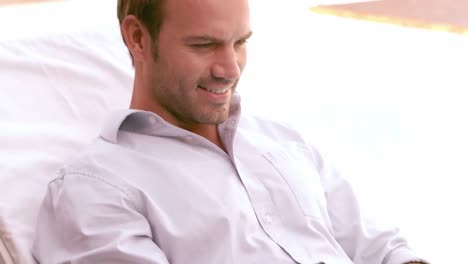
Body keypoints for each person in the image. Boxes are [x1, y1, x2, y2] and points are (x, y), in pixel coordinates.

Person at [32, 0, 429, 263]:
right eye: (204, 45)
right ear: (137, 38)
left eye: (240, 42)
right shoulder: (96, 187)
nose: (231, 69)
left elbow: (382, 248)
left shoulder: (282, 141)